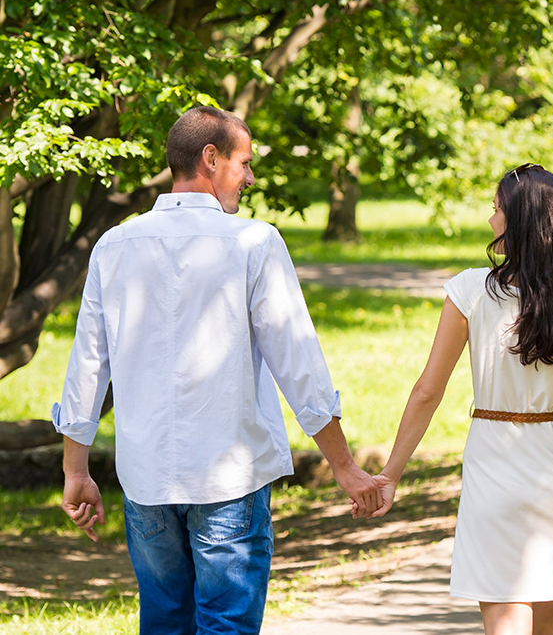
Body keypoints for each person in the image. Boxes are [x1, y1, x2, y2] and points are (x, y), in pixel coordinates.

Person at [53, 106, 381, 634]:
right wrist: (343, 466)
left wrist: (75, 471)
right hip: (230, 481)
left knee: (163, 624)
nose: (249, 178)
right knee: (225, 626)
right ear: (211, 158)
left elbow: (86, 368)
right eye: (244, 163)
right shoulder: (254, 243)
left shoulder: (114, 247)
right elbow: (299, 365)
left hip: (147, 481)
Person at [372, 163, 553, 635]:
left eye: (496, 210)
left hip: (495, 466)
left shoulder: (471, 290)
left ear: (519, 221)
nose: (491, 221)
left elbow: (429, 390)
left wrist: (391, 473)